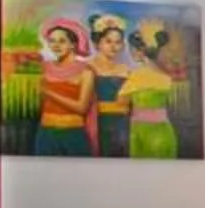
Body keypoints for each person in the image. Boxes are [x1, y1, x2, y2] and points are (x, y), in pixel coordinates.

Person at [125, 18, 187, 159]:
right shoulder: (166, 75)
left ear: (139, 51)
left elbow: (120, 101)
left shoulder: (138, 75)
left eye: (132, 49)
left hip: (143, 132)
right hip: (164, 131)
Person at [32, 18, 95, 155]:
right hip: (46, 133)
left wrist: (49, 93)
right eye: (52, 41)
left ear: (72, 44)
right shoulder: (44, 68)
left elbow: (81, 107)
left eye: (62, 41)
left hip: (73, 134)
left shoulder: (86, 71)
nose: (56, 45)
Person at [87, 13, 135, 156]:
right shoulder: (88, 68)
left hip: (122, 125)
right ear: (98, 43)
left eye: (118, 42)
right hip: (98, 123)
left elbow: (132, 103)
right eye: (108, 41)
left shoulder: (126, 70)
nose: (114, 46)